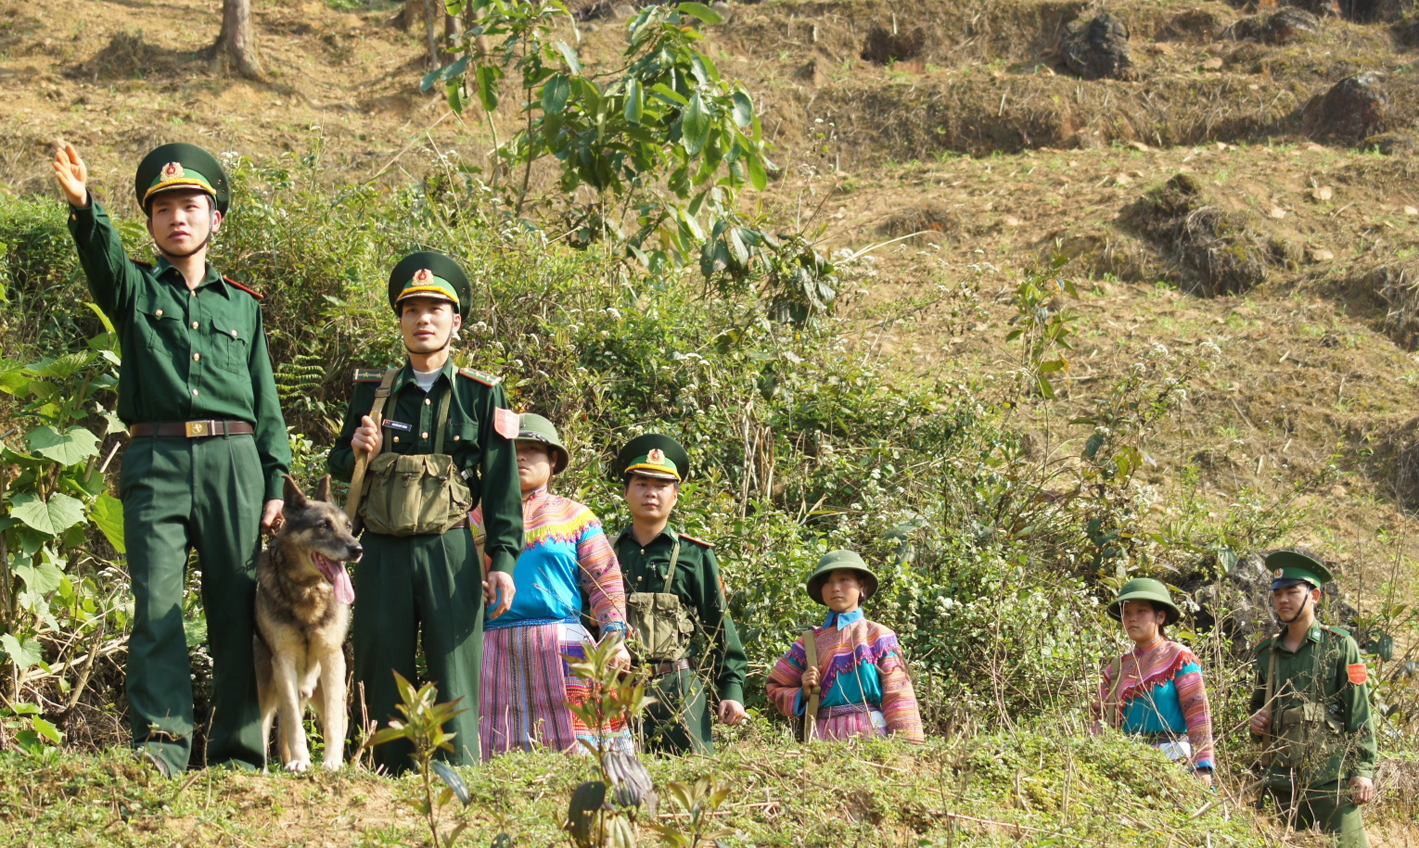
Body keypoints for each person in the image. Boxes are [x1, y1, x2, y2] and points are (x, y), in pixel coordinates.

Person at [52, 142, 290, 776]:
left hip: (233, 462)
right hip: (155, 458)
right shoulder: (135, 289)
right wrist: (85, 208)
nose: (177, 218)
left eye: (191, 206)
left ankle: (239, 752)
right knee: (157, 605)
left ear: (216, 218)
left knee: (235, 607)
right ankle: (160, 748)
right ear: (151, 224)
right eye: (163, 210)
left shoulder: (243, 304)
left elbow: (265, 403)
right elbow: (102, 264)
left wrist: (275, 483)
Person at [327, 251, 522, 773]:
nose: (423, 319)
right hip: (382, 549)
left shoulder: (482, 394)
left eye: (435, 308)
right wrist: (357, 446)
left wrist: (502, 560)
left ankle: (456, 775)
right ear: (400, 320)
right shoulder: (374, 390)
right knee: (377, 664)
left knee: (455, 669)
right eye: (412, 309)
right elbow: (339, 463)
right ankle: (380, 775)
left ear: (455, 321)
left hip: (450, 548)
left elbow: (502, 483)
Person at [471, 413, 633, 759]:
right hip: (491, 648)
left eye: (533, 449)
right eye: (512, 449)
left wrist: (614, 637)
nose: (521, 457)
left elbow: (605, 579)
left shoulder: (574, 516)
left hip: (563, 646)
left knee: (585, 754)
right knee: (495, 755)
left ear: (553, 460)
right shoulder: (472, 518)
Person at [611, 434, 747, 754]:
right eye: (642, 483)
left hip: (680, 687)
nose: (651, 493)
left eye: (660, 485)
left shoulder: (695, 555)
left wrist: (732, 689)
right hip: (616, 690)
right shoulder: (602, 551)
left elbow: (718, 627)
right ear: (626, 492)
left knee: (693, 782)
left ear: (674, 496)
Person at [1249, 549, 1376, 848]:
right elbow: (1257, 709)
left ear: (1314, 595)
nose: (1282, 600)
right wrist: (1256, 723)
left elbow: (1358, 713)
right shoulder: (1267, 653)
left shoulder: (1342, 646)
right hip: (1281, 782)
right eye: (1277, 593)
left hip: (1332, 782)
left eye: (1292, 592)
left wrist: (1363, 771)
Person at [766, 550, 924, 742]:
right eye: (828, 582)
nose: (835, 588)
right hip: (822, 737)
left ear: (861, 586)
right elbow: (776, 686)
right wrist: (803, 691)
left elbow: (898, 694)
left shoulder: (878, 636)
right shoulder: (807, 643)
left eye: (844, 579)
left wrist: (908, 745)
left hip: (873, 736)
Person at [1094, 578, 1214, 784]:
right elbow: (1100, 721)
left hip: (1175, 760)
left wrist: (1202, 765)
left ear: (1160, 616)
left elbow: (1198, 713)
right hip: (1127, 765)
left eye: (1141, 611)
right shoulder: (1115, 669)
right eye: (1127, 613)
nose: (1132, 619)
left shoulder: (1179, 657)